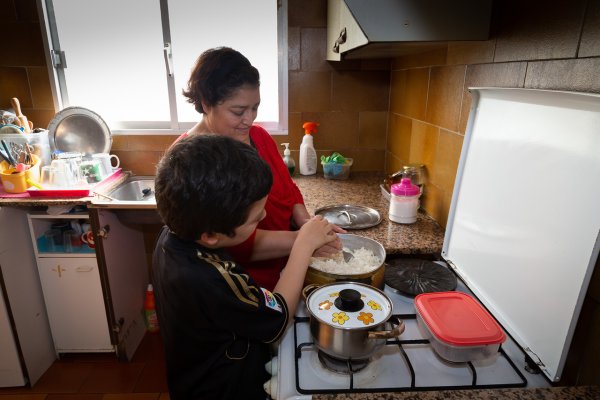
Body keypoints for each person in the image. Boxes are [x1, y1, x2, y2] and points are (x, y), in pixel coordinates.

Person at [153, 134, 337, 400]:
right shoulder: (210, 276)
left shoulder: (171, 237)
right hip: (225, 390)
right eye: (254, 219)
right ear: (211, 235)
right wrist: (302, 246)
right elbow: (278, 319)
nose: (263, 216)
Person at [177, 46, 343, 291]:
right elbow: (233, 242)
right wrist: (304, 241)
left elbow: (288, 189)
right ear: (205, 103)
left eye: (254, 107)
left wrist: (308, 224)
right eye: (238, 111)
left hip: (287, 268)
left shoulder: (259, 136)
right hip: (245, 287)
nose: (250, 119)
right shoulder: (187, 161)